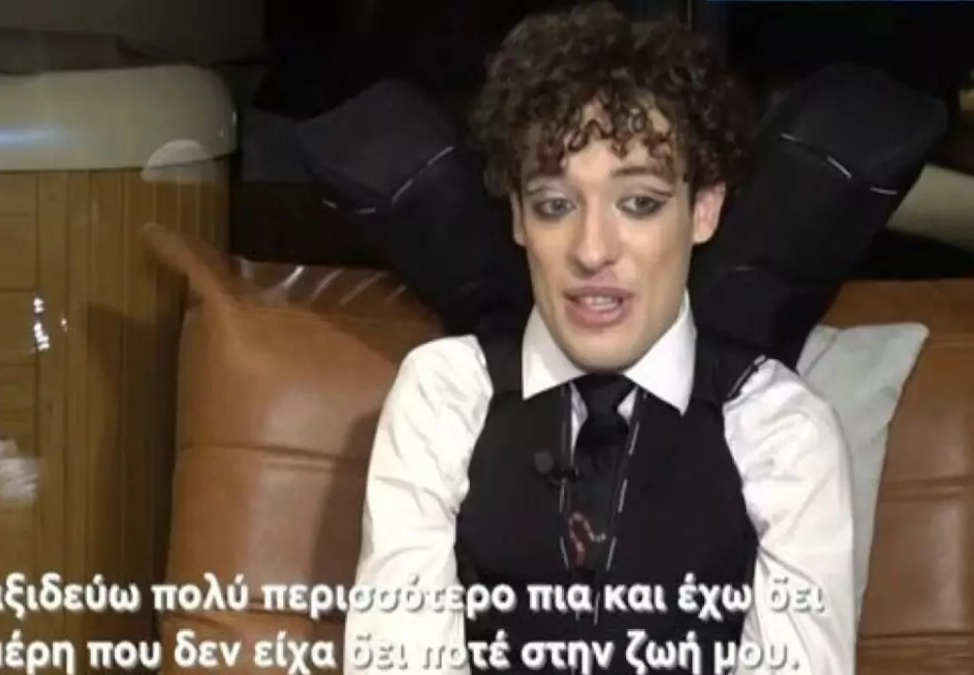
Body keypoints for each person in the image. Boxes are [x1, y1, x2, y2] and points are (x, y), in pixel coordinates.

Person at [344, 4, 855, 675]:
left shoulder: (781, 430)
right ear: (519, 218)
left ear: (703, 208)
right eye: (555, 205)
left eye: (639, 203)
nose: (591, 250)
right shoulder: (444, 396)